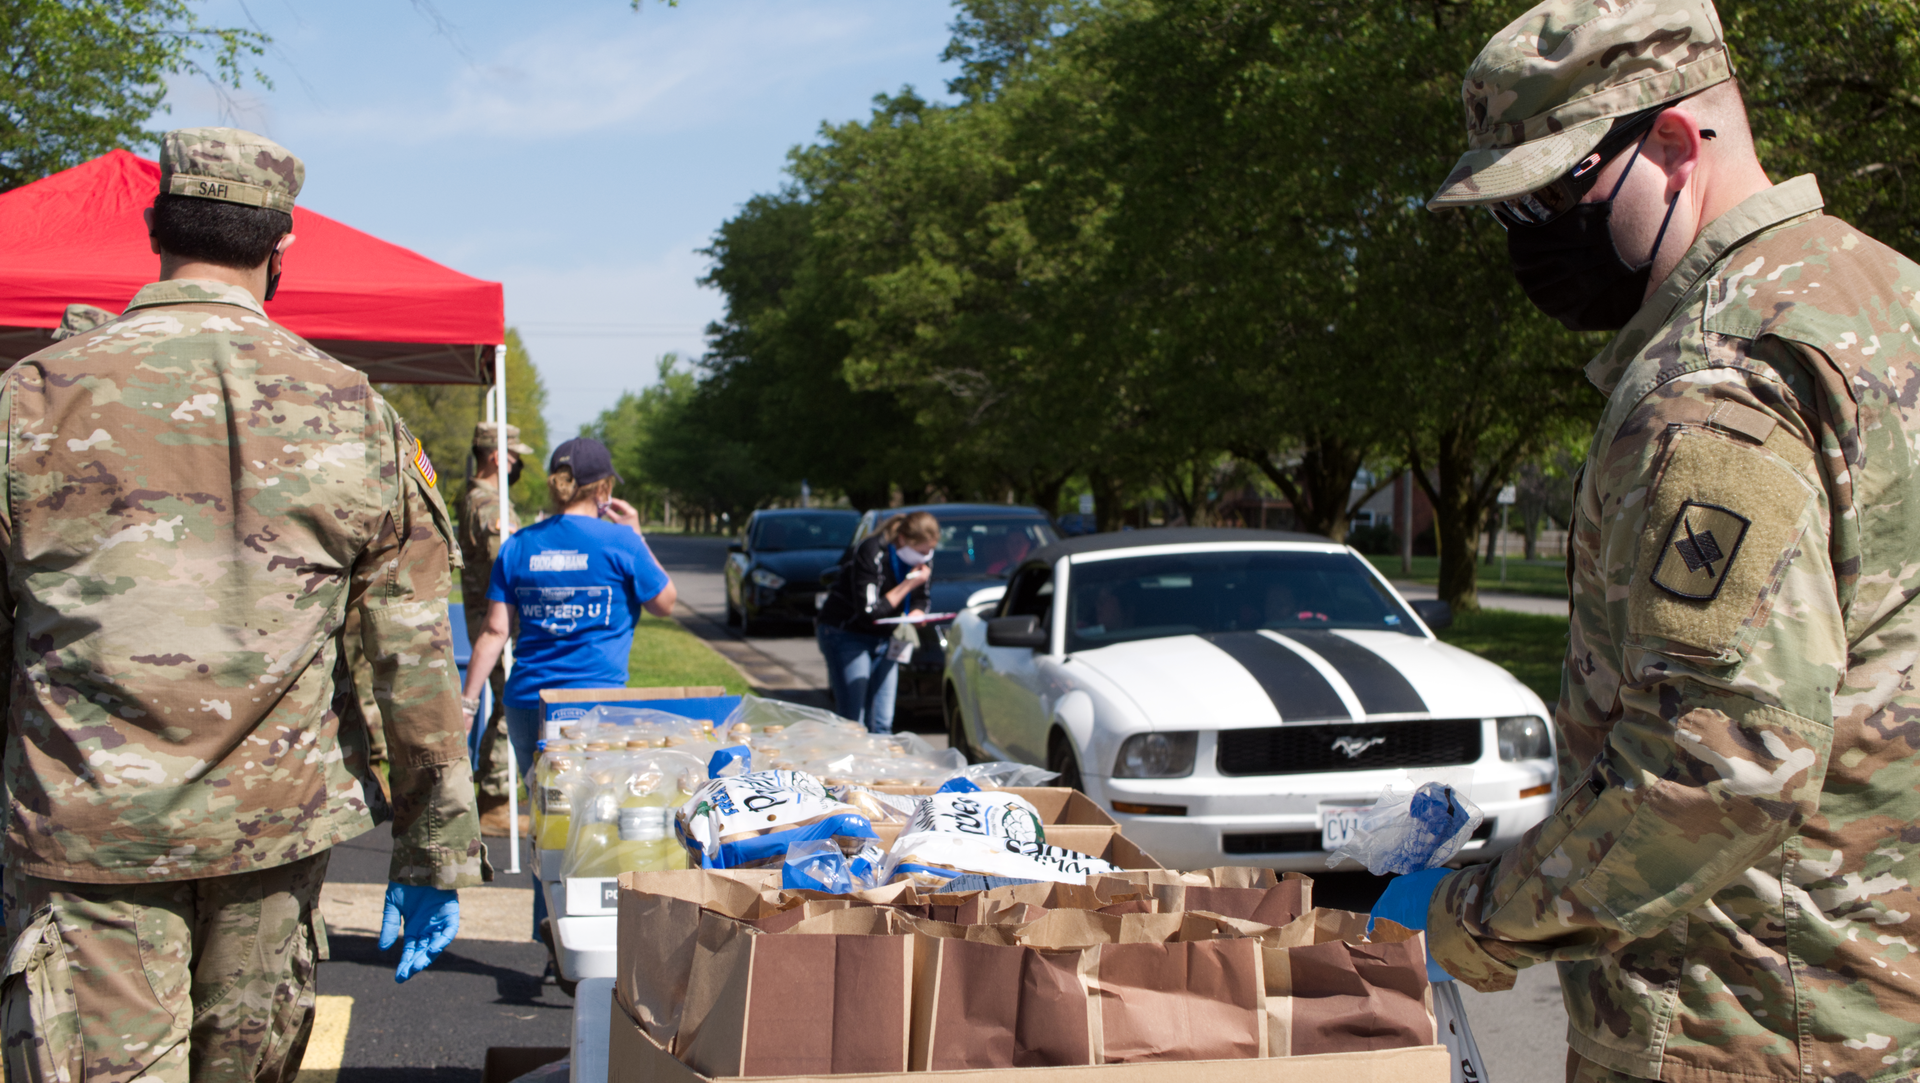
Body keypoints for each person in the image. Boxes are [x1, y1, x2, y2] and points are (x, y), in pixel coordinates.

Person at [1370, 4, 1920, 1081]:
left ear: (1671, 145)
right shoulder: (1888, 299)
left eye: (1549, 194)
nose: (1530, 235)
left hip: (1745, 1022)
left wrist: (1476, 916)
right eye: (1506, 211)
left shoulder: (1715, 380)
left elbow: (1718, 764)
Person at [0, 127, 483, 1083]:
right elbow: (414, 656)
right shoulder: (353, 411)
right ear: (281, 245)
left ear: (153, 227)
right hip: (271, 838)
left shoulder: (30, 399)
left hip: (85, 835)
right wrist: (433, 849)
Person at [462, 437, 676, 937]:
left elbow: (495, 632)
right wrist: (638, 533)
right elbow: (666, 601)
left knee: (547, 815)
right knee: (602, 814)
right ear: (604, 489)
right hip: (595, 706)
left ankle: (550, 919)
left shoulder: (521, 543)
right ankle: (594, 925)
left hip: (529, 703)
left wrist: (468, 699)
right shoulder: (620, 542)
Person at [459, 420, 535, 836]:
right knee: (510, 706)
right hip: (499, 621)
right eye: (512, 454)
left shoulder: (479, 497)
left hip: (492, 618)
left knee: (506, 704)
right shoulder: (489, 505)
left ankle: (491, 794)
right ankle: (493, 799)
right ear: (494, 456)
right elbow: (507, 566)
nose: (516, 462)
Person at [816, 511, 937, 734]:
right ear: (903, 539)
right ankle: (851, 765)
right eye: (921, 551)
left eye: (930, 551)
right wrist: (908, 585)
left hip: (887, 637)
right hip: (847, 633)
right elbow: (869, 611)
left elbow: (922, 597)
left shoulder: (922, 557)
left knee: (882, 721)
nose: (926, 556)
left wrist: (918, 613)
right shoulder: (871, 550)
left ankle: (879, 767)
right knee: (854, 720)